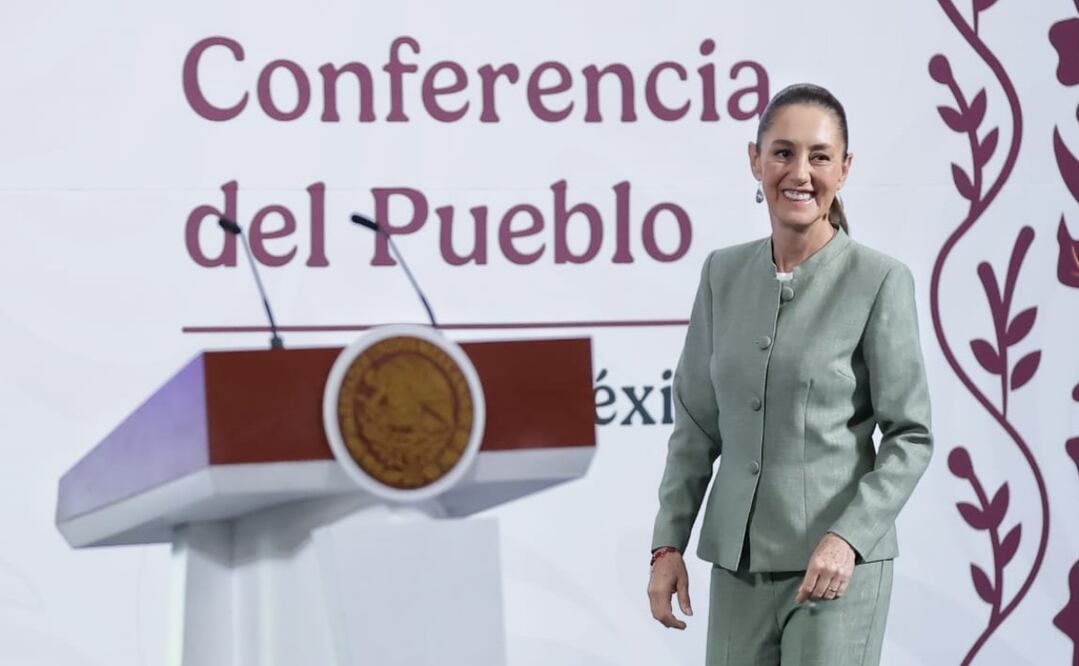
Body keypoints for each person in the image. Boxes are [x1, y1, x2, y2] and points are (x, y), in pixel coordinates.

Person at [646, 83, 933, 666]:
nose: (799, 172)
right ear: (755, 160)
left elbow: (910, 436)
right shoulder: (721, 274)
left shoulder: (880, 281)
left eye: (820, 156)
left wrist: (848, 538)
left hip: (836, 572)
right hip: (738, 567)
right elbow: (697, 427)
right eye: (782, 152)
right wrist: (667, 543)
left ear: (845, 169)